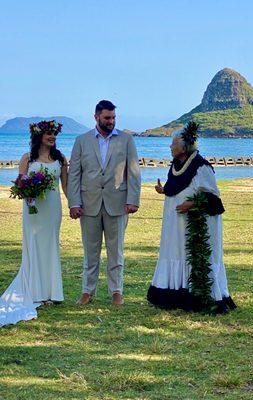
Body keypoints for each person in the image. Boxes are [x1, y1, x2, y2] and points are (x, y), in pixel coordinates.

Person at [147, 122, 236, 313]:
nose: (170, 147)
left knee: (192, 255)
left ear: (184, 146)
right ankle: (173, 292)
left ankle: (202, 294)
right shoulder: (176, 165)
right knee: (175, 252)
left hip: (196, 223)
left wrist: (192, 204)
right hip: (175, 223)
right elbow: (177, 186)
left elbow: (213, 197)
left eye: (173, 144)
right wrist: (164, 190)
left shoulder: (201, 166)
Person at [68, 100, 141, 306]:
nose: (111, 121)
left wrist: (133, 200)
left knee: (115, 250)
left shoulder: (126, 140)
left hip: (117, 203)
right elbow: (74, 174)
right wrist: (74, 202)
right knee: (90, 251)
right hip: (88, 204)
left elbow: (133, 172)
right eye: (107, 118)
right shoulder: (81, 141)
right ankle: (87, 291)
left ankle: (116, 291)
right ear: (96, 117)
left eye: (113, 118)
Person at [0, 120, 68, 327]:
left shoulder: (60, 158)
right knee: (34, 245)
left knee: (51, 246)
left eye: (54, 134)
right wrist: (27, 190)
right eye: (49, 133)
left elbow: (65, 185)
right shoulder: (27, 159)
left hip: (53, 208)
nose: (52, 137)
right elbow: (20, 183)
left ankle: (52, 292)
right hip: (33, 210)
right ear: (39, 136)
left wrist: (75, 205)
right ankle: (35, 291)